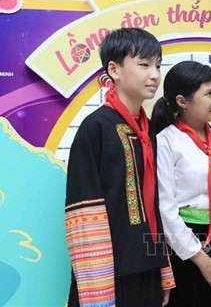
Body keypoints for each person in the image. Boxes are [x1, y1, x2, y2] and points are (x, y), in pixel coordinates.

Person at [65, 28, 174, 307]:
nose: (155, 74)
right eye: (144, 64)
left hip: (146, 265)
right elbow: (83, 208)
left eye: (158, 65)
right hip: (109, 273)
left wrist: (162, 269)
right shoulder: (96, 127)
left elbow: (152, 202)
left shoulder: (145, 129)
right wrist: (98, 287)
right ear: (114, 69)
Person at [152, 60, 211, 307]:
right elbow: (165, 210)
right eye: (208, 93)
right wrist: (202, 260)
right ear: (182, 101)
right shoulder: (166, 142)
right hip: (187, 243)